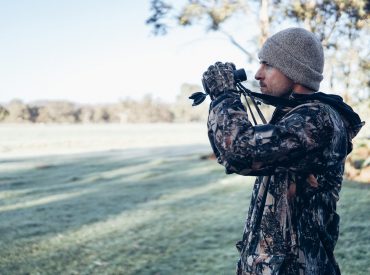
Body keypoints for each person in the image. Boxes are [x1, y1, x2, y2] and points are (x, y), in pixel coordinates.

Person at [201, 28, 364, 275]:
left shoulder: (317, 120)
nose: (257, 74)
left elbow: (239, 151)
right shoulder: (295, 116)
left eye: (267, 65)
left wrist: (224, 95)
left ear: (294, 71)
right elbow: (230, 151)